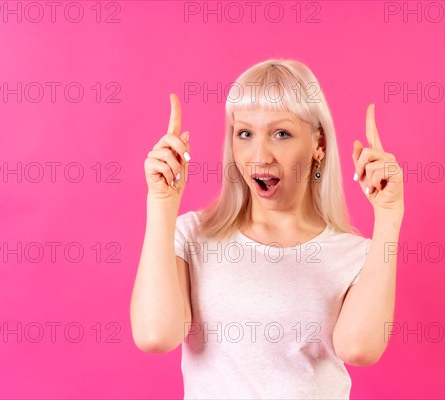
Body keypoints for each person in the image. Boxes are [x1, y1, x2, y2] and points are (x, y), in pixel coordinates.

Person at [130, 59, 404, 399]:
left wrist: (390, 215)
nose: (259, 155)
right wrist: (161, 202)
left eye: (281, 133)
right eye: (245, 133)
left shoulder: (355, 254)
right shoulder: (193, 236)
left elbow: (360, 348)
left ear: (318, 144)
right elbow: (155, 335)